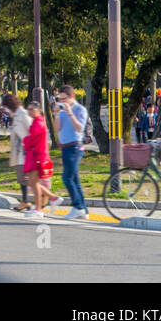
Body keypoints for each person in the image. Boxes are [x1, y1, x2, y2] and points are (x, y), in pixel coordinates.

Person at [52, 85, 90, 220]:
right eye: (59, 99)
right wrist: (56, 113)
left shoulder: (80, 109)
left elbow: (80, 128)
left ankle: (77, 207)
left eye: (64, 99)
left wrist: (69, 112)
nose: (62, 102)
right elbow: (57, 129)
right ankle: (83, 209)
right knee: (74, 179)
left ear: (71, 96)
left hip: (75, 147)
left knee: (66, 178)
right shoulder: (61, 110)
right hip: (65, 147)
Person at [22, 101, 62, 217]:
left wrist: (25, 141)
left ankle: (38, 209)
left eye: (32, 109)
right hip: (36, 156)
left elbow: (32, 140)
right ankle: (53, 198)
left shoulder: (38, 123)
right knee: (33, 183)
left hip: (37, 157)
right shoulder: (37, 122)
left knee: (34, 183)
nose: (30, 111)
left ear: (39, 110)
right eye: (28, 109)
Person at [4, 93, 32, 211]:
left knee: (27, 179)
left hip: (27, 151)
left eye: (5, 106)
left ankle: (41, 200)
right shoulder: (16, 115)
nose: (4, 109)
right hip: (21, 151)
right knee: (22, 178)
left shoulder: (23, 115)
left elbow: (32, 130)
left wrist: (29, 146)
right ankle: (25, 201)